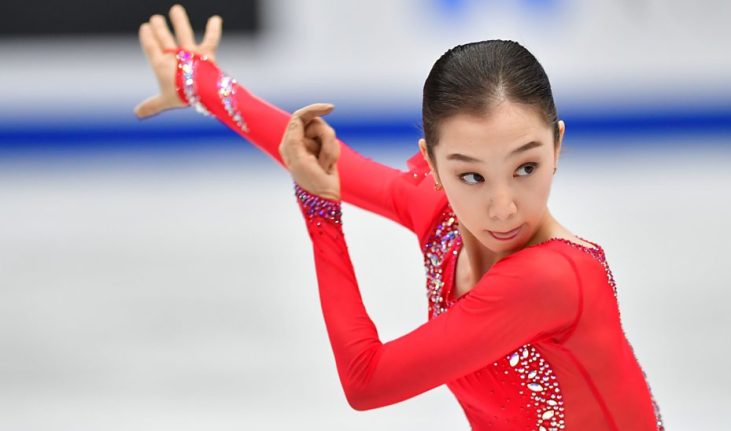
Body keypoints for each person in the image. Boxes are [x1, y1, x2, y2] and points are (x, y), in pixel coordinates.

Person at [135, 5, 665, 430]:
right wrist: (195, 79)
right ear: (432, 165)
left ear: (558, 145)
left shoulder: (549, 278)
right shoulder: (442, 223)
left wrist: (320, 210)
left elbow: (367, 383)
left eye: (526, 166)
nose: (502, 206)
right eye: (471, 176)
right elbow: (320, 153)